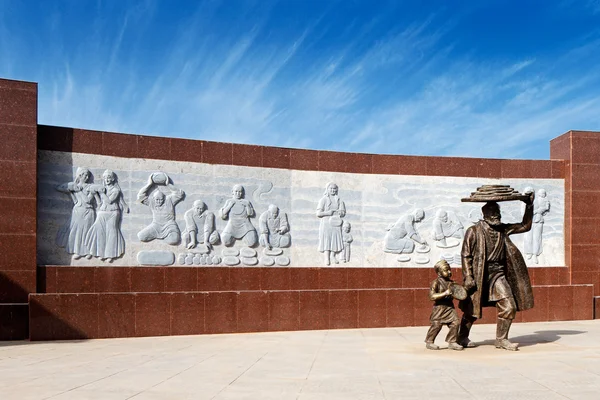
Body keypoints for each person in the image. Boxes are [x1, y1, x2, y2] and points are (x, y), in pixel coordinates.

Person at [458, 194, 535, 351]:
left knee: (509, 306)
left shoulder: (503, 229)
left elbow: (525, 225)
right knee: (472, 310)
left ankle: (501, 339)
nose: (496, 215)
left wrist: (528, 205)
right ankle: (461, 336)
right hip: (479, 275)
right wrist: (468, 277)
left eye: (497, 212)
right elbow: (465, 255)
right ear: (485, 215)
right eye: (492, 213)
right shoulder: (473, 231)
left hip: (498, 275)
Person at [85, 170, 129, 262]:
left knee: (111, 233)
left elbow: (109, 201)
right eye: (105, 177)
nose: (107, 179)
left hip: (113, 213)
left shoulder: (115, 190)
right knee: (98, 231)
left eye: (109, 177)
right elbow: (100, 203)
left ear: (112, 179)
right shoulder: (102, 188)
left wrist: (101, 193)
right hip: (102, 212)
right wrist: (94, 194)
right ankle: (100, 253)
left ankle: (110, 255)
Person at [55, 167, 96, 259]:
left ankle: (89, 251)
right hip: (77, 211)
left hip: (88, 211)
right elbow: (59, 188)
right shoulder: (75, 186)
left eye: (88, 176)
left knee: (87, 231)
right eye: (84, 175)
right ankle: (77, 250)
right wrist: (72, 186)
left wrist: (79, 191)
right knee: (76, 231)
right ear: (80, 175)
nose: (86, 177)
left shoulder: (90, 187)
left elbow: (88, 201)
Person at [425, 260, 463, 351]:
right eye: (446, 270)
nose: (449, 272)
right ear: (439, 273)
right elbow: (432, 296)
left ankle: (452, 341)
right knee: (437, 325)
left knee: (455, 323)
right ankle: (429, 341)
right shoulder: (436, 282)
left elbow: (459, 293)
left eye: (449, 270)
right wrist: (444, 293)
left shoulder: (451, 283)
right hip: (439, 308)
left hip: (449, 307)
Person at [137, 174, 185, 245]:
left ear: (164, 198)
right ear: (154, 199)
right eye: (157, 200)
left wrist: (168, 184)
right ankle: (160, 237)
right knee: (141, 236)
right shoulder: (152, 202)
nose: (159, 201)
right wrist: (149, 184)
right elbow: (140, 196)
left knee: (174, 240)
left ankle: (165, 238)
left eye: (161, 200)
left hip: (169, 225)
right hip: (156, 225)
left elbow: (179, 194)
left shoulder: (169, 200)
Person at [316, 182, 346, 265]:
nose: (333, 190)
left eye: (334, 189)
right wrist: (328, 213)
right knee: (327, 240)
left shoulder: (339, 200)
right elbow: (318, 213)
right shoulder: (323, 200)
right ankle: (326, 258)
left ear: (336, 190)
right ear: (327, 189)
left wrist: (341, 212)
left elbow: (343, 211)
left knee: (335, 240)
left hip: (336, 222)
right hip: (326, 223)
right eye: (331, 188)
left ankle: (333, 256)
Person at [524, 189, 550, 264]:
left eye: (544, 193)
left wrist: (540, 210)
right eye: (542, 193)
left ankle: (535, 254)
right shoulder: (532, 200)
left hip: (539, 221)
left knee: (537, 238)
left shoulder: (546, 200)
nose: (543, 195)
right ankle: (529, 253)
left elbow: (546, 208)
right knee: (528, 237)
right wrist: (535, 211)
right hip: (530, 220)